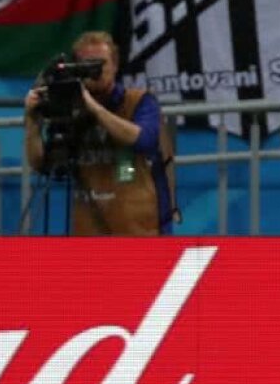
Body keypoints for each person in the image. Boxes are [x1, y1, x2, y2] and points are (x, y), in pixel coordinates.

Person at [23, 31, 177, 236]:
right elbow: (43, 164)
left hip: (140, 233)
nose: (96, 71)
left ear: (115, 65)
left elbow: (143, 139)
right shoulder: (72, 110)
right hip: (89, 235)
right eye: (87, 65)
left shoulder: (139, 101)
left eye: (101, 64)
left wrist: (93, 107)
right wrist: (33, 122)